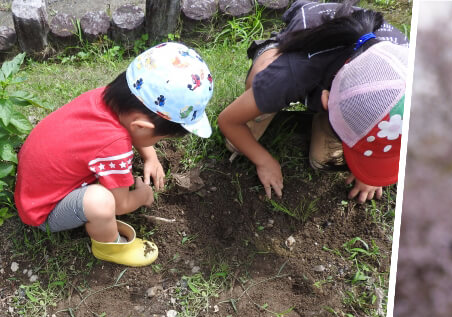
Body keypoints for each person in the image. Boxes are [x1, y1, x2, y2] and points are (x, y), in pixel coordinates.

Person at [14, 42, 214, 267]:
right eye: (158, 140)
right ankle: (111, 246)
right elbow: (120, 204)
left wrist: (151, 156)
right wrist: (143, 196)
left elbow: (134, 129)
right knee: (101, 203)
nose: (156, 144)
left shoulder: (102, 98)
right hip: (44, 210)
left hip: (35, 183)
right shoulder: (114, 145)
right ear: (140, 127)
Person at [218, 0, 408, 203]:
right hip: (304, 41)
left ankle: (325, 124)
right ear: (325, 99)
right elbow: (228, 121)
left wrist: (371, 172)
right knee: (257, 87)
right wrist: (263, 160)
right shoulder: (291, 75)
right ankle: (264, 97)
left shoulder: (412, 72)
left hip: (340, 67)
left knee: (323, 160)